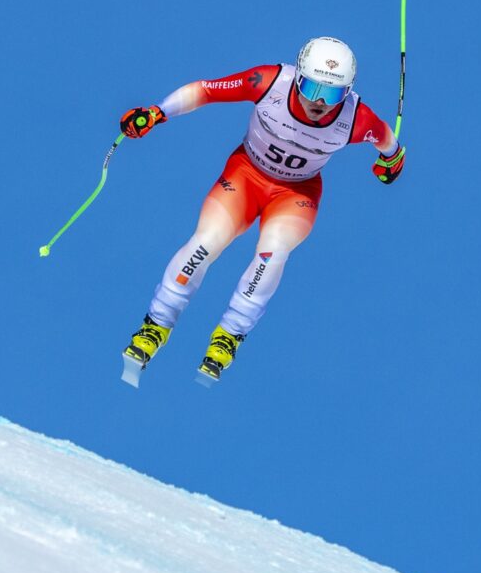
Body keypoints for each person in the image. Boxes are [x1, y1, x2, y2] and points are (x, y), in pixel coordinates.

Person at [118, 36, 405, 385]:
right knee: (207, 241)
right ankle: (156, 325)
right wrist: (158, 112)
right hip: (245, 176)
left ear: (346, 94)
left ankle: (230, 334)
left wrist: (391, 163)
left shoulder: (358, 118)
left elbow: (390, 145)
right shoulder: (268, 82)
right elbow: (206, 90)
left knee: (273, 252)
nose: (318, 102)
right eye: (311, 87)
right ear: (298, 76)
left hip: (296, 192)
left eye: (331, 95)